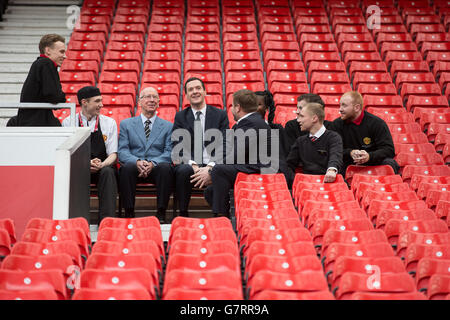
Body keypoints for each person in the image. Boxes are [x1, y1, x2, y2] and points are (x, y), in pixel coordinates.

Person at [202, 89, 274, 218]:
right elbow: (225, 148)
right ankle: (231, 217)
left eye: (232, 106)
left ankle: (221, 217)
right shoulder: (244, 123)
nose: (232, 110)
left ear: (238, 107)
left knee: (219, 170)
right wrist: (210, 167)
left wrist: (211, 171)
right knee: (210, 191)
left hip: (259, 169)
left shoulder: (252, 123)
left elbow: (235, 155)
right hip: (249, 166)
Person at [172, 77, 229, 218]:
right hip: (192, 164)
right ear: (186, 95)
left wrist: (210, 167)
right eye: (190, 90)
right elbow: (178, 146)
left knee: (220, 170)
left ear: (205, 92)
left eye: (198, 88)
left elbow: (225, 143)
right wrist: (195, 165)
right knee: (183, 170)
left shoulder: (220, 114)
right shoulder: (180, 117)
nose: (195, 92)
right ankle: (183, 213)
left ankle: (219, 214)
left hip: (214, 161)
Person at [62, 86, 118, 223]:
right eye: (97, 101)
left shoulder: (109, 123)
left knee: (108, 173)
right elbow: (66, 154)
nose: (101, 105)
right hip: (79, 166)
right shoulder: (68, 122)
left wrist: (102, 164)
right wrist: (85, 164)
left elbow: (113, 154)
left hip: (102, 166)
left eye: (101, 100)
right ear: (84, 102)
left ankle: (107, 220)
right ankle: (76, 221)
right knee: (71, 173)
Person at [118, 87, 174, 223]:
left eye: (155, 97)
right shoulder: (127, 124)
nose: (152, 100)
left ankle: (161, 213)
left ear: (159, 102)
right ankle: (129, 212)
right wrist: (137, 161)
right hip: (134, 167)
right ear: (139, 102)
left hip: (156, 168)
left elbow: (169, 152)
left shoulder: (168, 126)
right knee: (126, 168)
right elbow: (122, 151)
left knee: (165, 168)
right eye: (148, 97)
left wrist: (152, 163)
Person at [330, 91, 399, 174]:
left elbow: (389, 150)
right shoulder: (336, 125)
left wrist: (369, 156)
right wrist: (350, 153)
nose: (340, 109)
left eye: (344, 105)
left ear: (357, 108)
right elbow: (332, 149)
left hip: (373, 162)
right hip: (348, 163)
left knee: (390, 163)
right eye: (340, 105)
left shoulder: (377, 123)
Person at [18, 34, 67, 126]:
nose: (65, 56)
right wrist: (62, 96)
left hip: (32, 121)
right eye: (61, 52)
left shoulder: (39, 64)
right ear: (48, 50)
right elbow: (54, 96)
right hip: (37, 123)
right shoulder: (46, 63)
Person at [287, 102, 343, 183]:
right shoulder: (300, 141)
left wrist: (331, 170)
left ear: (314, 118)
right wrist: (297, 180)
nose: (298, 120)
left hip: (329, 183)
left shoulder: (333, 137)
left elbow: (335, 156)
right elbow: (289, 165)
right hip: (306, 185)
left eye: (302, 116)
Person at [255, 90, 293, 186]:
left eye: (258, 104)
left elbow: (285, 156)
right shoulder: (240, 128)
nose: (253, 108)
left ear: (266, 109)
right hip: (250, 171)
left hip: (275, 173)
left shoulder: (277, 129)